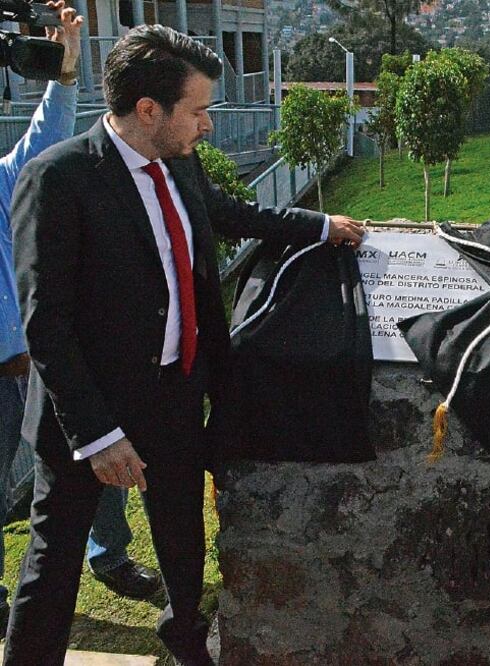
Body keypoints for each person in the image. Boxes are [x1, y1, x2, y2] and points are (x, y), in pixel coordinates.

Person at [3, 24, 363, 665]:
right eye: (197, 110)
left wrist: (319, 225)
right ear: (148, 109)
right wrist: (99, 436)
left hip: (174, 398)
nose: (207, 124)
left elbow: (230, 213)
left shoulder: (179, 161)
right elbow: (46, 326)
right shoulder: (56, 179)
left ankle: (187, 645)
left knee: (182, 541)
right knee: (53, 564)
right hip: (85, 419)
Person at [0, 2, 160, 621]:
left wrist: (65, 71)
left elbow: (45, 139)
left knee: (96, 452)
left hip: (35, 367)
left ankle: (109, 555)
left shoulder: (7, 181)